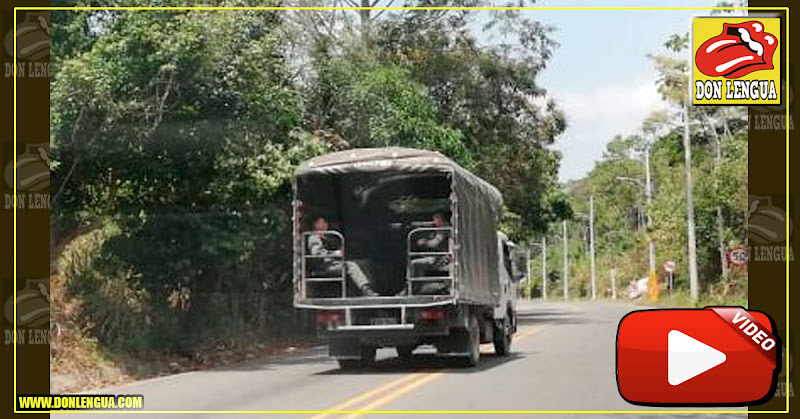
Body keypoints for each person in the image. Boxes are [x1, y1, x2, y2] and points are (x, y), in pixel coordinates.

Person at [306, 217, 378, 297]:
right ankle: (365, 290)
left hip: (335, 263)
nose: (323, 225)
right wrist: (334, 253)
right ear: (314, 225)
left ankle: (368, 288)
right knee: (350, 266)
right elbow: (317, 254)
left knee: (363, 263)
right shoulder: (314, 237)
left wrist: (341, 252)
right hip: (324, 265)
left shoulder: (329, 237)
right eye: (320, 223)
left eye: (324, 222)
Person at [408, 213, 453, 294]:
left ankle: (416, 286)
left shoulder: (444, 227)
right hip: (439, 255)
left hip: (443, 257)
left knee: (414, 264)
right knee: (418, 263)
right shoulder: (441, 228)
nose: (434, 221)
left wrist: (425, 242)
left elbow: (435, 243)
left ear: (440, 219)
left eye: (436, 219)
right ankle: (417, 286)